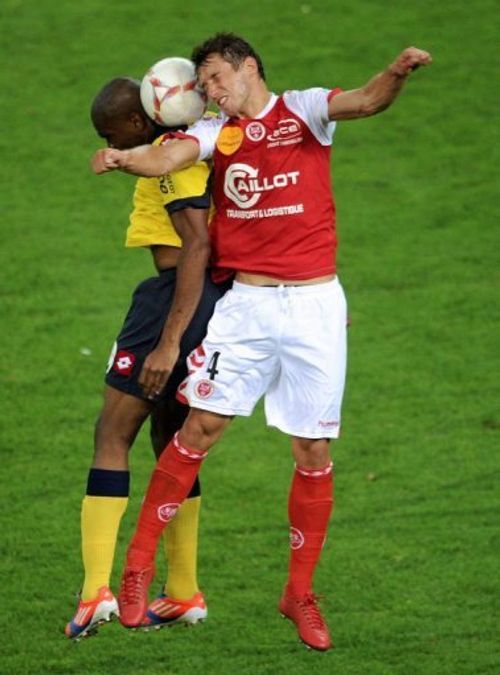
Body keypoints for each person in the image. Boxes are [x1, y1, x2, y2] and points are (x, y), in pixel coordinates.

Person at [91, 34, 432, 651]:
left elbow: (366, 101)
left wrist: (397, 71)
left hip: (315, 306)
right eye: (205, 85)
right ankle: (137, 570)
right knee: (197, 431)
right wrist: (123, 158)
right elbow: (166, 162)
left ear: (250, 68)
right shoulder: (215, 133)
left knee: (313, 448)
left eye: (219, 78)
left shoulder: (303, 109)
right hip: (247, 307)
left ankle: (298, 592)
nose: (212, 92)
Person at [66, 76, 227, 639]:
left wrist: (166, 341)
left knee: (112, 435)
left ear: (139, 123)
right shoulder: (187, 143)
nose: (111, 141)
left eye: (113, 132)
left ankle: (95, 593)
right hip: (214, 305)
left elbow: (196, 246)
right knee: (172, 443)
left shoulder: (172, 160)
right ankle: (183, 593)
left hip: (172, 303)